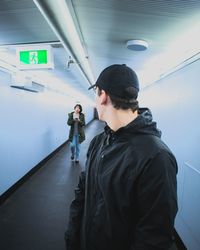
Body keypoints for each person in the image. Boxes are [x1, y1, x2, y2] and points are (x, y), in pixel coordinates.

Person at [65, 64, 178, 250]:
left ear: (102, 95)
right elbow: (82, 195)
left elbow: (154, 239)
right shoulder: (98, 142)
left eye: (95, 94)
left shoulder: (157, 157)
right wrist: (72, 238)